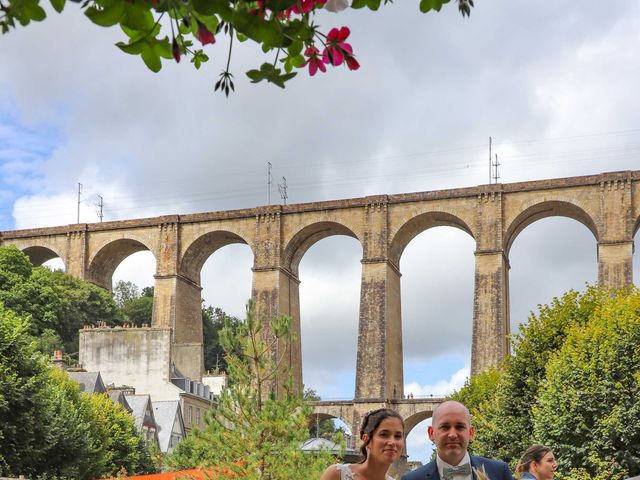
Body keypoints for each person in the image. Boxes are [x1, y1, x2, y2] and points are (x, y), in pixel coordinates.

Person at [401, 400, 514, 480]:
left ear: (471, 433)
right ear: (431, 433)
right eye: (444, 427)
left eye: (460, 427)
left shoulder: (499, 472)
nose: (452, 434)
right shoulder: (412, 479)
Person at [320, 408, 405, 480]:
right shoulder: (337, 475)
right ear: (366, 439)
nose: (392, 442)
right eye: (384, 434)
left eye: (398, 436)